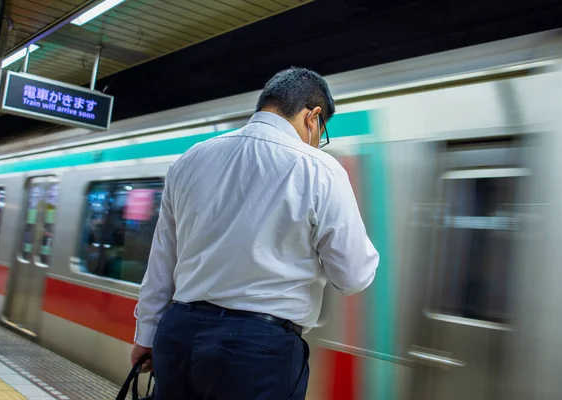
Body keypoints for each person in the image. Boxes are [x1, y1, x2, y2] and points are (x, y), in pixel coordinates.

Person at [131, 67, 380, 399]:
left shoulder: (189, 160)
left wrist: (145, 335)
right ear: (313, 117)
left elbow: (162, 261)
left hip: (178, 335)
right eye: (322, 131)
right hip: (256, 347)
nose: (320, 140)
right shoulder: (319, 168)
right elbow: (352, 276)